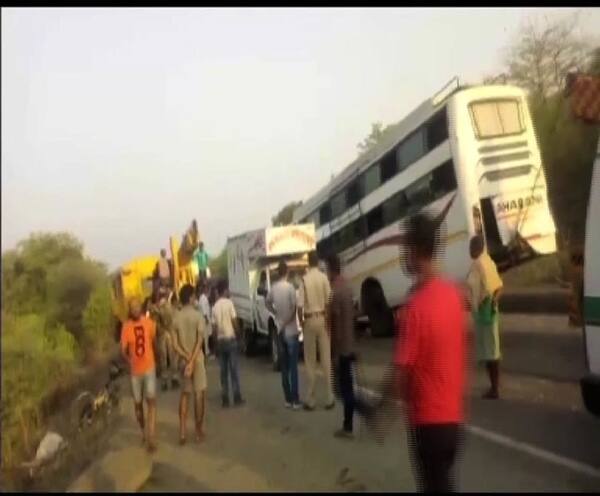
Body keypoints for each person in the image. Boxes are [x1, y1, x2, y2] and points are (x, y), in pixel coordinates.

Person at [373, 212, 467, 492]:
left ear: (414, 250)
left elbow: (400, 372)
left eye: (405, 248)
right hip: (453, 422)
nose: (403, 255)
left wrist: (380, 412)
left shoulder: (415, 309)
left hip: (428, 424)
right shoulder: (453, 295)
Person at [326, 253, 365, 439]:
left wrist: (333, 351)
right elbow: (354, 317)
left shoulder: (335, 293)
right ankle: (350, 420)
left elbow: (334, 324)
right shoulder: (348, 289)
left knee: (343, 389)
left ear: (331, 270)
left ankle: (350, 423)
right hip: (351, 344)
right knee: (347, 385)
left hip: (342, 347)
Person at [466, 235, 503, 399]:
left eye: (470, 248)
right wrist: (494, 302)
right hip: (489, 312)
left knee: (490, 353)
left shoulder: (479, 264)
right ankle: (494, 386)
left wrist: (483, 304)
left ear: (475, 248)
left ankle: (494, 389)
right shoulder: (488, 261)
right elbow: (499, 287)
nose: (469, 251)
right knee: (491, 351)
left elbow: (485, 289)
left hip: (484, 314)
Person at [120, 297, 158, 453]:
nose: (135, 309)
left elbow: (154, 341)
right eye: (132, 307)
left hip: (149, 367)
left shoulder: (149, 323)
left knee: (151, 402)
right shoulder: (126, 327)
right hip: (135, 372)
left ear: (141, 308)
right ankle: (143, 431)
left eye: (137, 306)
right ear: (130, 310)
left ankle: (151, 437)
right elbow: (123, 350)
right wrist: (129, 361)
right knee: (138, 406)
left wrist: (157, 358)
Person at [298, 251, 335, 411]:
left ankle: (311, 399)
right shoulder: (323, 278)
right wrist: (328, 320)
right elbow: (329, 302)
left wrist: (302, 322)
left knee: (310, 360)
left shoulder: (304, 280)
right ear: (317, 262)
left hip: (309, 319)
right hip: (323, 318)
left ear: (308, 263)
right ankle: (329, 397)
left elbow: (299, 306)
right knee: (326, 359)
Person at [172, 284, 207, 444]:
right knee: (199, 395)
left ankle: (182, 432)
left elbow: (174, 344)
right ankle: (198, 431)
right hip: (197, 360)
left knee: (185, 395)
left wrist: (186, 358)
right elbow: (200, 341)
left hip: (182, 361)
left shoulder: (176, 317)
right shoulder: (198, 316)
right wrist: (192, 360)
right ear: (192, 297)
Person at [267, 261, 302, 410]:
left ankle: (287, 399)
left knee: (284, 366)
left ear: (277, 273)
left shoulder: (273, 288)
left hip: (280, 329)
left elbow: (267, 303)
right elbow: (295, 308)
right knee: (293, 367)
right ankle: (295, 400)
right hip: (291, 330)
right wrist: (291, 321)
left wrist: (276, 315)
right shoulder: (290, 288)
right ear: (286, 272)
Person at [212, 280, 245, 408]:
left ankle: (225, 398)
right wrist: (240, 336)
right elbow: (234, 322)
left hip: (220, 341)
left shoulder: (214, 307)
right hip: (230, 339)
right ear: (224, 290)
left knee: (223, 372)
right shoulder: (229, 303)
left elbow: (214, 328)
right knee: (234, 370)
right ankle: (236, 396)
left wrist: (215, 344)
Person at [155, 288, 179, 391]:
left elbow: (155, 323)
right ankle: (174, 378)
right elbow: (174, 320)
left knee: (163, 359)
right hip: (170, 333)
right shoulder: (170, 307)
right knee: (173, 357)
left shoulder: (156, 308)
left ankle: (165, 381)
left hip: (162, 334)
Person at [198, 284, 213, 358]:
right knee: (205, 337)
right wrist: (207, 320)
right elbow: (204, 311)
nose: (209, 291)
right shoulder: (203, 298)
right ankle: (206, 352)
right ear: (206, 290)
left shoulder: (204, 298)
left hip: (205, 319)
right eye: (208, 289)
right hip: (205, 320)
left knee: (206, 337)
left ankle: (206, 351)